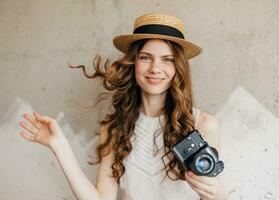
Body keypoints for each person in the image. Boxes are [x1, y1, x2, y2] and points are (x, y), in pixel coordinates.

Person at [18, 13, 229, 200]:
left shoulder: (203, 124)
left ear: (178, 68)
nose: (155, 68)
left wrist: (218, 194)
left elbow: (212, 196)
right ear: (133, 63)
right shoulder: (114, 129)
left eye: (167, 60)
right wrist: (60, 145)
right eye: (146, 57)